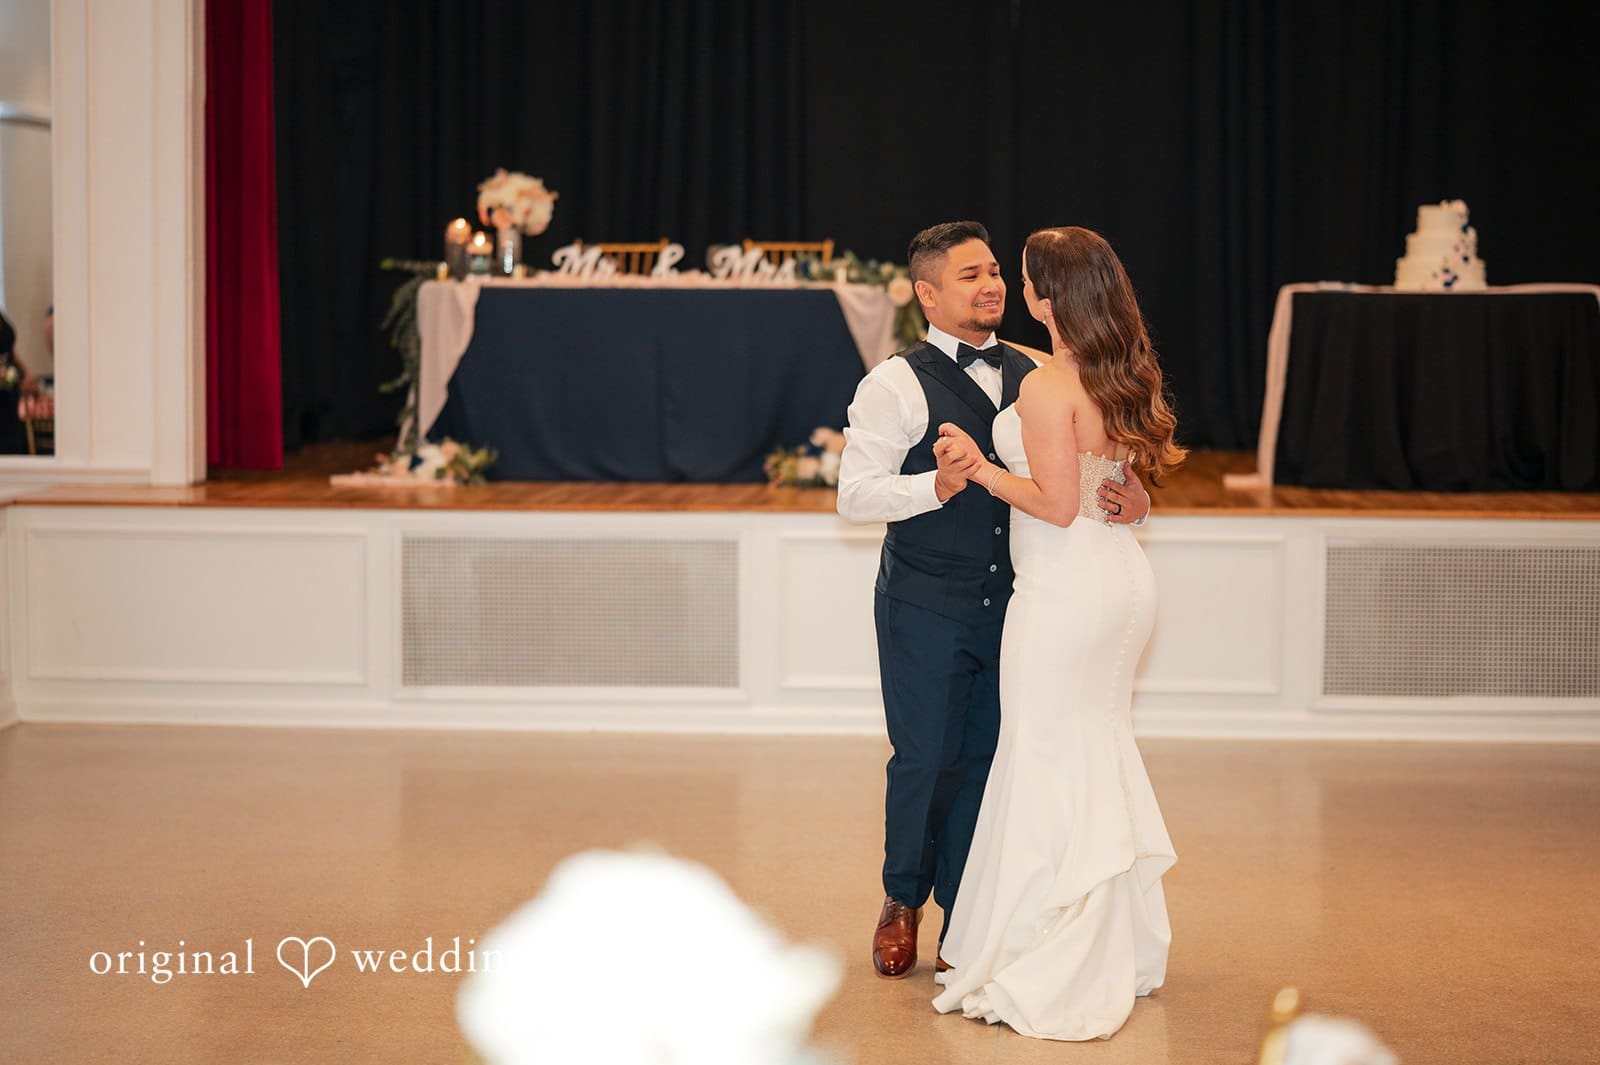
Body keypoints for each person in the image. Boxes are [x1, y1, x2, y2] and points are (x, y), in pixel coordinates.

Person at [835, 221, 1150, 981]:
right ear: (927, 293)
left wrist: (1135, 500)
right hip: (925, 599)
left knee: (988, 757)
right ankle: (902, 899)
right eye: (970, 275)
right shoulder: (891, 383)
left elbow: (1094, 470)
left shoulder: (1042, 368)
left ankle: (969, 913)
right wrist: (937, 484)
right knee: (925, 757)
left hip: (1022, 602)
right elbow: (854, 495)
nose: (991, 286)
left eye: (996, 273)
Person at [928, 226, 1187, 1040]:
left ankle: (1052, 946)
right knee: (1094, 744)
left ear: (1047, 295)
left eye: (1023, 276)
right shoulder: (1114, 369)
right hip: (1122, 581)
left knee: (1045, 751)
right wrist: (1139, 505)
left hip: (1068, 591)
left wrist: (979, 466)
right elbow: (1124, 485)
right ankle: (1115, 935)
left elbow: (1057, 503)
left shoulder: (1047, 385)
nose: (1016, 287)